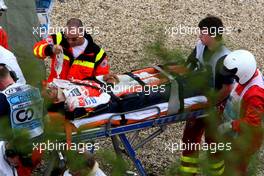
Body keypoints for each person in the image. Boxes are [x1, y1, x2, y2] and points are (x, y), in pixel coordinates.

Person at [179, 16, 234, 176]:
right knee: (189, 138)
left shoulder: (225, 58)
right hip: (200, 98)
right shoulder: (200, 47)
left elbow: (227, 88)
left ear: (212, 35)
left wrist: (210, 104)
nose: (199, 36)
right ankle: (188, 172)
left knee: (213, 142)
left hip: (217, 105)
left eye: (202, 34)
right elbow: (189, 65)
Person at [217, 50, 264, 176]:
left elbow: (252, 122)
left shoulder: (255, 94)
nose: (232, 79)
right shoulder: (247, 76)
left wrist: (229, 125)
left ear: (243, 74)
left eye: (233, 76)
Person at [33, 18, 110, 84]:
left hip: (78, 96)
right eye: (67, 37)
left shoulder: (98, 54)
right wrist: (50, 49)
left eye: (74, 39)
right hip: (54, 91)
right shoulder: (59, 38)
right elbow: (36, 50)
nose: (70, 42)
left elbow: (101, 80)